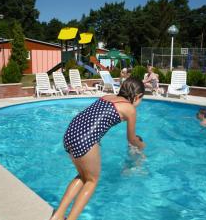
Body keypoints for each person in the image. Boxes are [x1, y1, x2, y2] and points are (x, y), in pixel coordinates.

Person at [50, 77, 146, 220]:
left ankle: (57, 216)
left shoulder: (107, 97)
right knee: (92, 180)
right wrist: (141, 145)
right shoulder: (130, 109)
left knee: (83, 177)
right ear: (137, 96)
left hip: (70, 133)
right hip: (85, 139)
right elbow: (131, 139)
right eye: (141, 100)